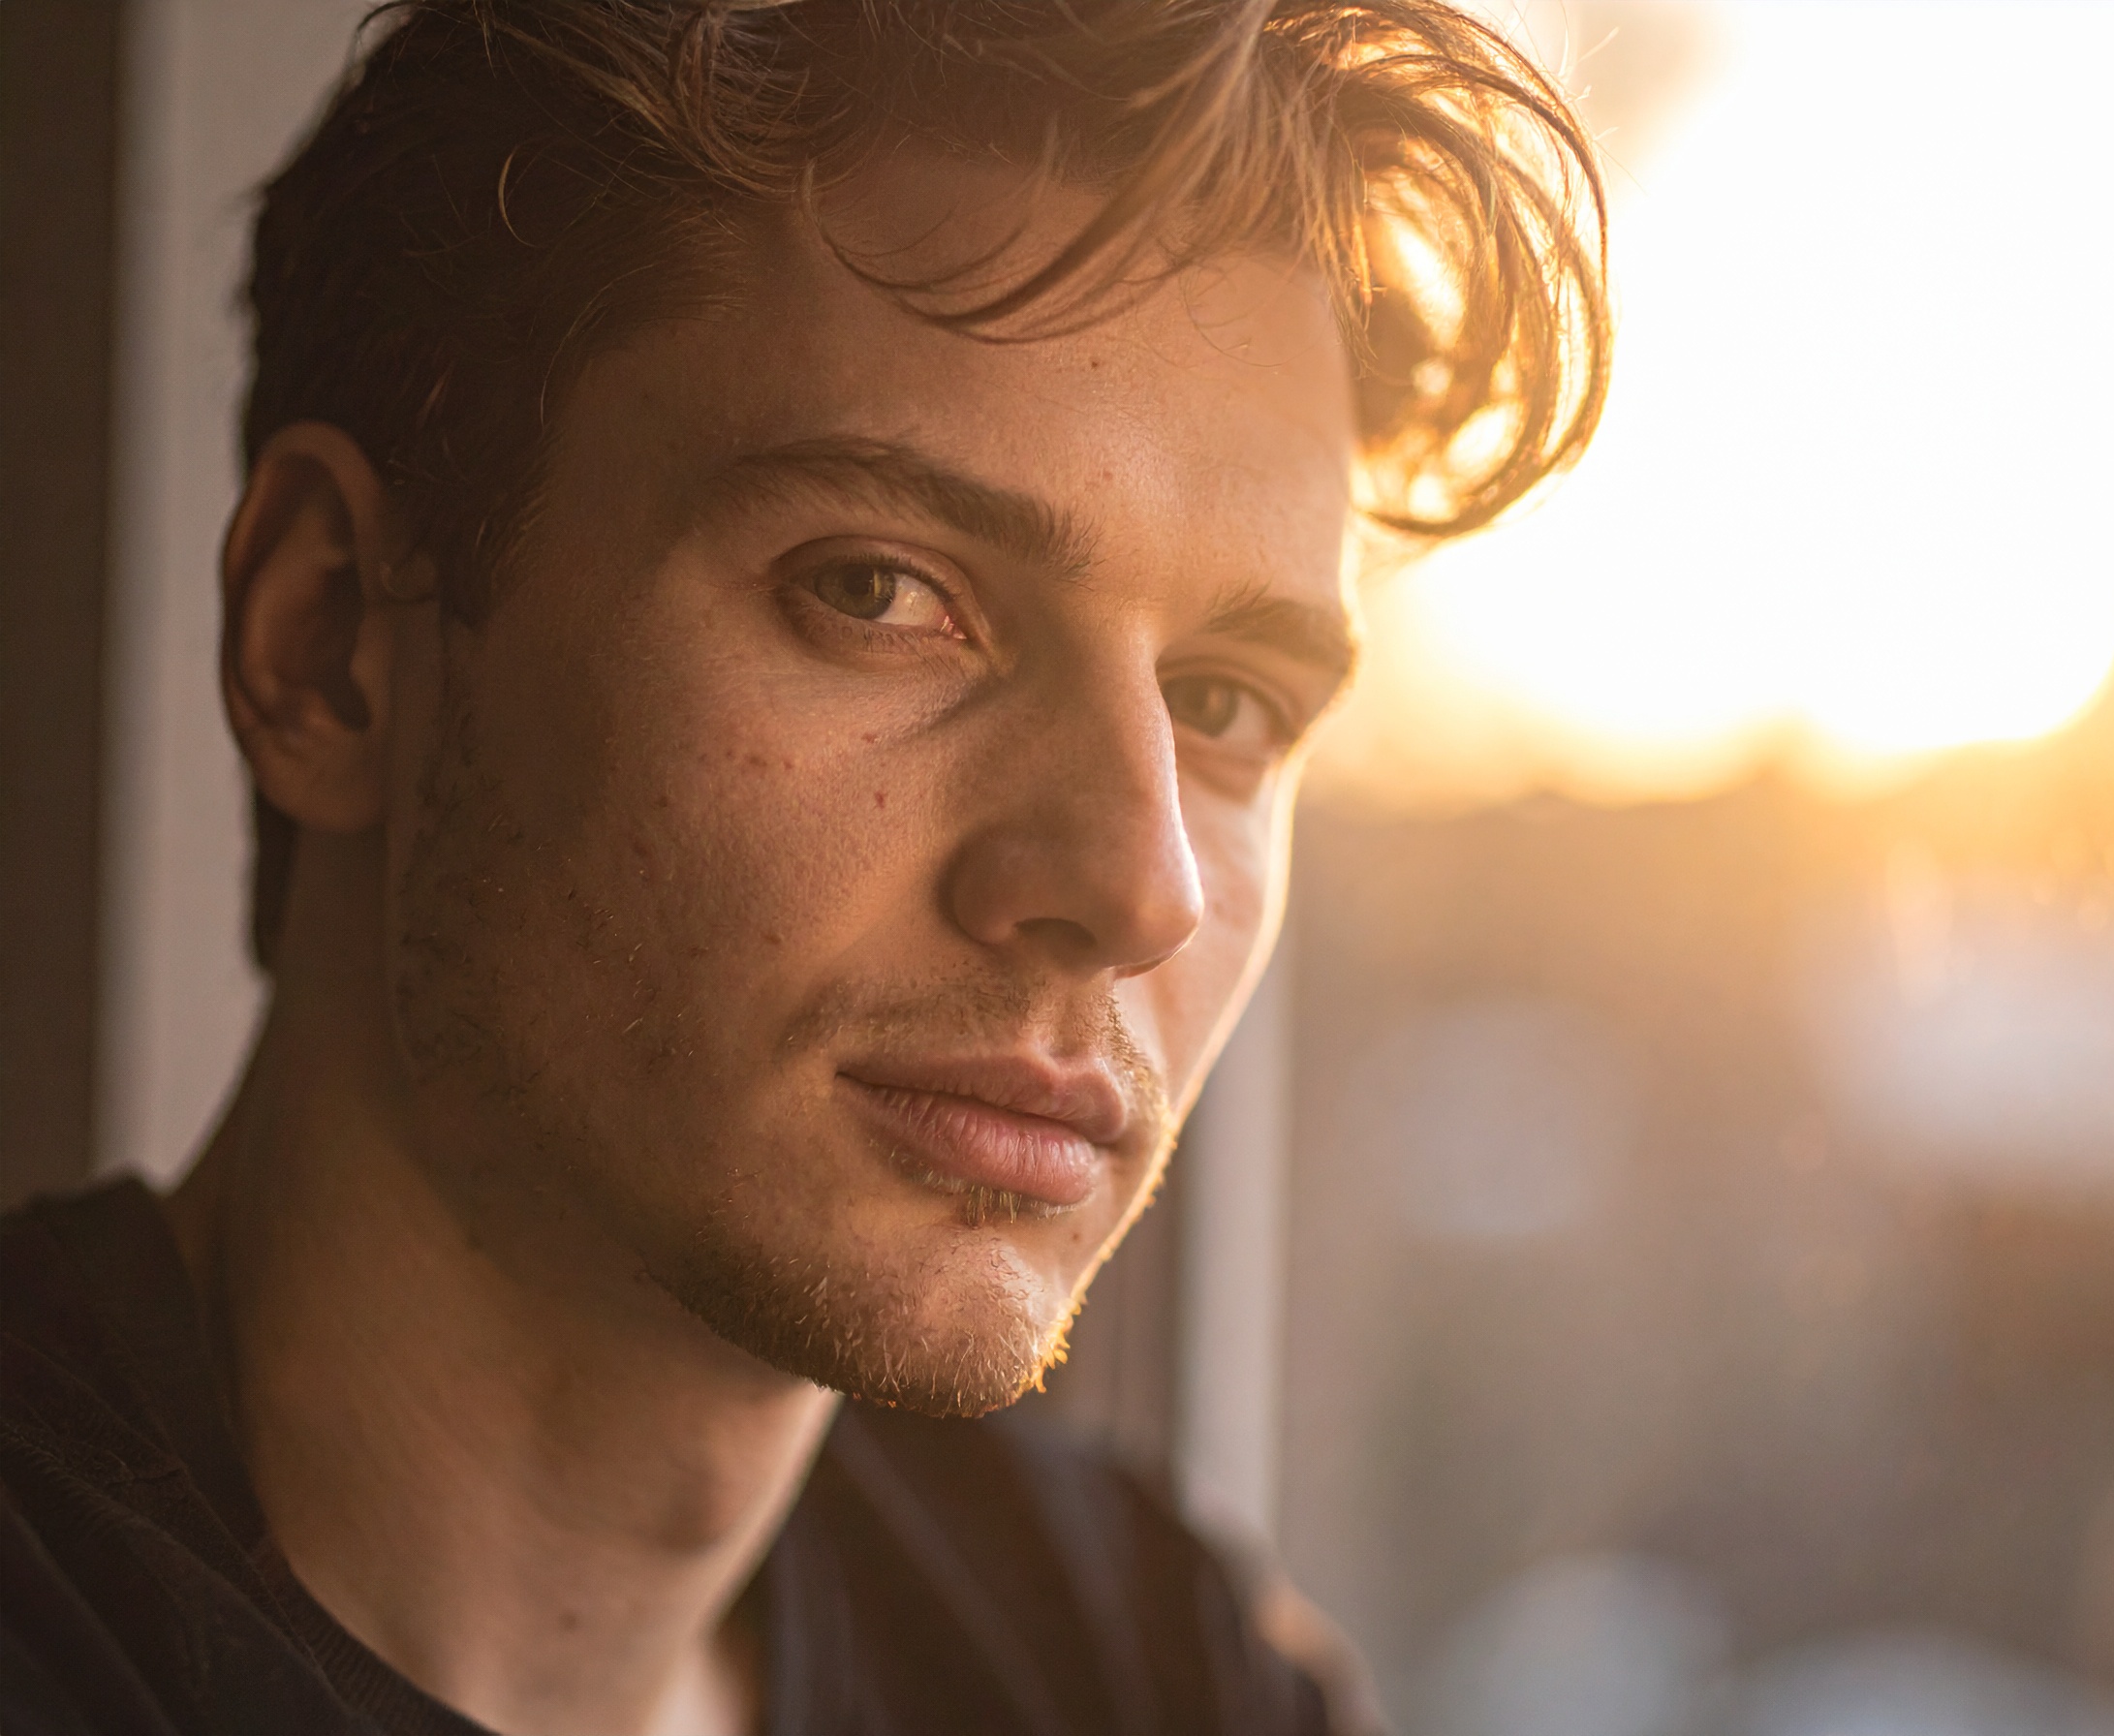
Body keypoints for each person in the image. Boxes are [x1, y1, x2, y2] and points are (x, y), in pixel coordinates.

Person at [0, 2, 1606, 1730]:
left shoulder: (1136, 1662)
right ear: (325, 642)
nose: (1142, 887)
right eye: (878, 591)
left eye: (1222, 701)